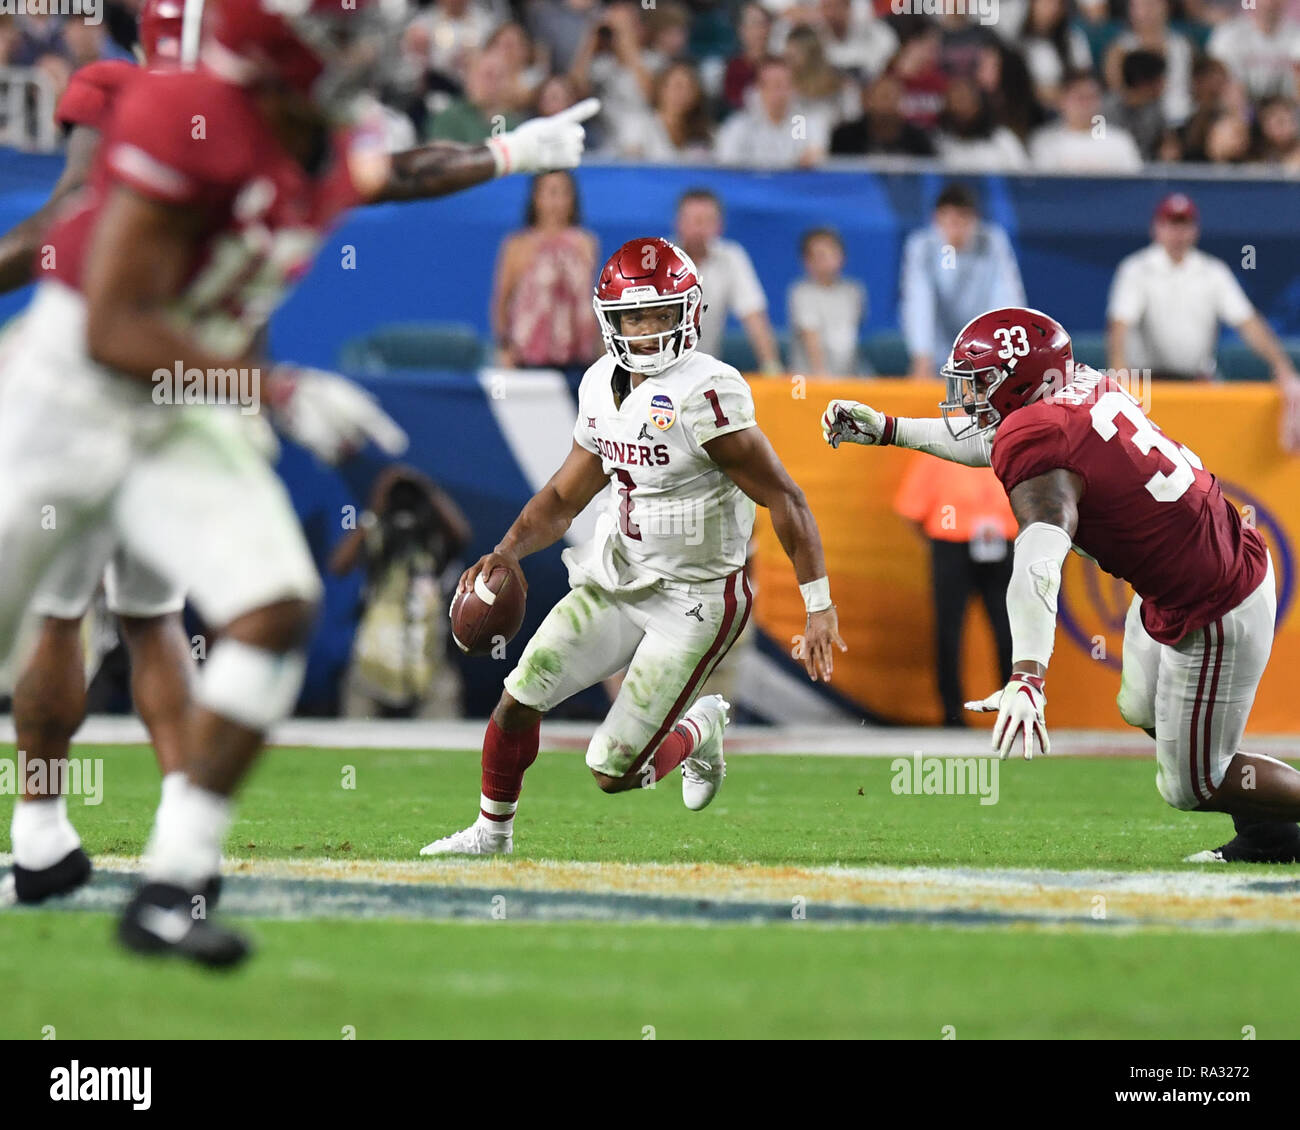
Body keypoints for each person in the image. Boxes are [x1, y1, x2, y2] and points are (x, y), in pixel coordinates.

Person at [0, 0, 599, 965]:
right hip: (64, 399)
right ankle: (46, 831)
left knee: (275, 606)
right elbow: (113, 328)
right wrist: (269, 386)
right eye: (336, 42)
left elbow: (395, 170)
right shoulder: (178, 115)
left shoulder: (323, 134)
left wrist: (515, 153)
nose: (358, 58)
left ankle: (171, 882)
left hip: (176, 411)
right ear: (270, 61)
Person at [823, 306, 1299, 864]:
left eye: (981, 383)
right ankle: (1272, 834)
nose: (968, 397)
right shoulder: (1077, 384)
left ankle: (1262, 825)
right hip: (1183, 580)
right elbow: (994, 438)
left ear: (1026, 381)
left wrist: (1027, 675)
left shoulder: (1041, 435)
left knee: (1190, 785)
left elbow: (1038, 562)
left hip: (1215, 602)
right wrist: (890, 430)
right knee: (1143, 706)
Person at [421, 237, 844, 856]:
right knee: (519, 696)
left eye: (660, 314)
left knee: (612, 770)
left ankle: (701, 728)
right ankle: (492, 834)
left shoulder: (709, 392)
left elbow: (785, 498)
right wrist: (508, 550)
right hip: (619, 575)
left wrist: (819, 603)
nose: (646, 331)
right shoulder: (598, 385)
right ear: (610, 320)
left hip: (697, 596)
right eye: (633, 317)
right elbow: (565, 495)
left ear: (690, 313)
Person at [0, 0, 197, 907]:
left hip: (95, 372)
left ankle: (41, 834)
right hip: (181, 375)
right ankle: (183, 836)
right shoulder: (254, 103)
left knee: (57, 606)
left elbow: (69, 215)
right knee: (153, 613)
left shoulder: (114, 82)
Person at [1106, 193, 1300, 449]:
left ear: (1194, 230)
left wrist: (1283, 367)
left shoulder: (1212, 272)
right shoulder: (1136, 269)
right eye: (1171, 223)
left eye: (1184, 224)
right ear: (1157, 228)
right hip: (1151, 388)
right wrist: (1120, 377)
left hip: (1198, 385)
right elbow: (1120, 326)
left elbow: (1248, 322)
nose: (1178, 232)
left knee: (1206, 456)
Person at [330, 465, 471, 719]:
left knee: (447, 742)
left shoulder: (434, 540)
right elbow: (339, 564)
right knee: (352, 743)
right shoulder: (377, 535)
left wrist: (426, 491)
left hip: (430, 662)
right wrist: (376, 508)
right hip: (374, 662)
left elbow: (462, 533)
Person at [893, 458, 1016, 728]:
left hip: (1004, 544)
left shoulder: (1012, 441)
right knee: (949, 632)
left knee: (1010, 633)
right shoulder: (937, 449)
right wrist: (940, 548)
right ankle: (952, 714)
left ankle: (1014, 710)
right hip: (952, 546)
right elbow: (910, 509)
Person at [899, 182, 1025, 382]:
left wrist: (1003, 355)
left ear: (975, 219)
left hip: (986, 355)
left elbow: (1006, 297)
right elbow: (918, 302)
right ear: (936, 219)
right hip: (937, 358)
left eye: (962, 221)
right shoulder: (922, 246)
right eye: (948, 220)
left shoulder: (992, 242)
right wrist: (921, 356)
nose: (955, 229)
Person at [491, 170, 600, 374]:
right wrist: (504, 347)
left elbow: (588, 301)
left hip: (578, 356)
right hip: (529, 356)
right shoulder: (517, 245)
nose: (557, 202)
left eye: (564, 193)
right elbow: (502, 301)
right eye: (551, 192)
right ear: (536, 198)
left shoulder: (586, 243)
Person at [673, 187, 782, 374]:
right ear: (678, 223)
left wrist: (772, 367)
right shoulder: (659, 259)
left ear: (720, 226)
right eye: (693, 220)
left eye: (707, 221)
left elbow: (753, 315)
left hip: (704, 375)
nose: (699, 227)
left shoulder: (731, 257)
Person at [714, 55, 830, 168]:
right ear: (759, 88)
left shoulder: (805, 123)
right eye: (776, 85)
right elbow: (727, 163)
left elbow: (816, 155)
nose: (781, 92)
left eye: (787, 85)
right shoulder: (739, 126)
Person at [786, 226, 866, 377]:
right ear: (807, 261)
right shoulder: (802, 293)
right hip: (810, 379)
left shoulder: (853, 291)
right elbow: (810, 335)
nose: (828, 260)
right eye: (821, 255)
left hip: (848, 377)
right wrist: (820, 374)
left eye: (833, 253)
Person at [1027, 70, 1144, 172]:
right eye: (1080, 98)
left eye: (1092, 97)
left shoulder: (1120, 140)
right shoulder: (1044, 142)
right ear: (1061, 100)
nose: (1087, 105)